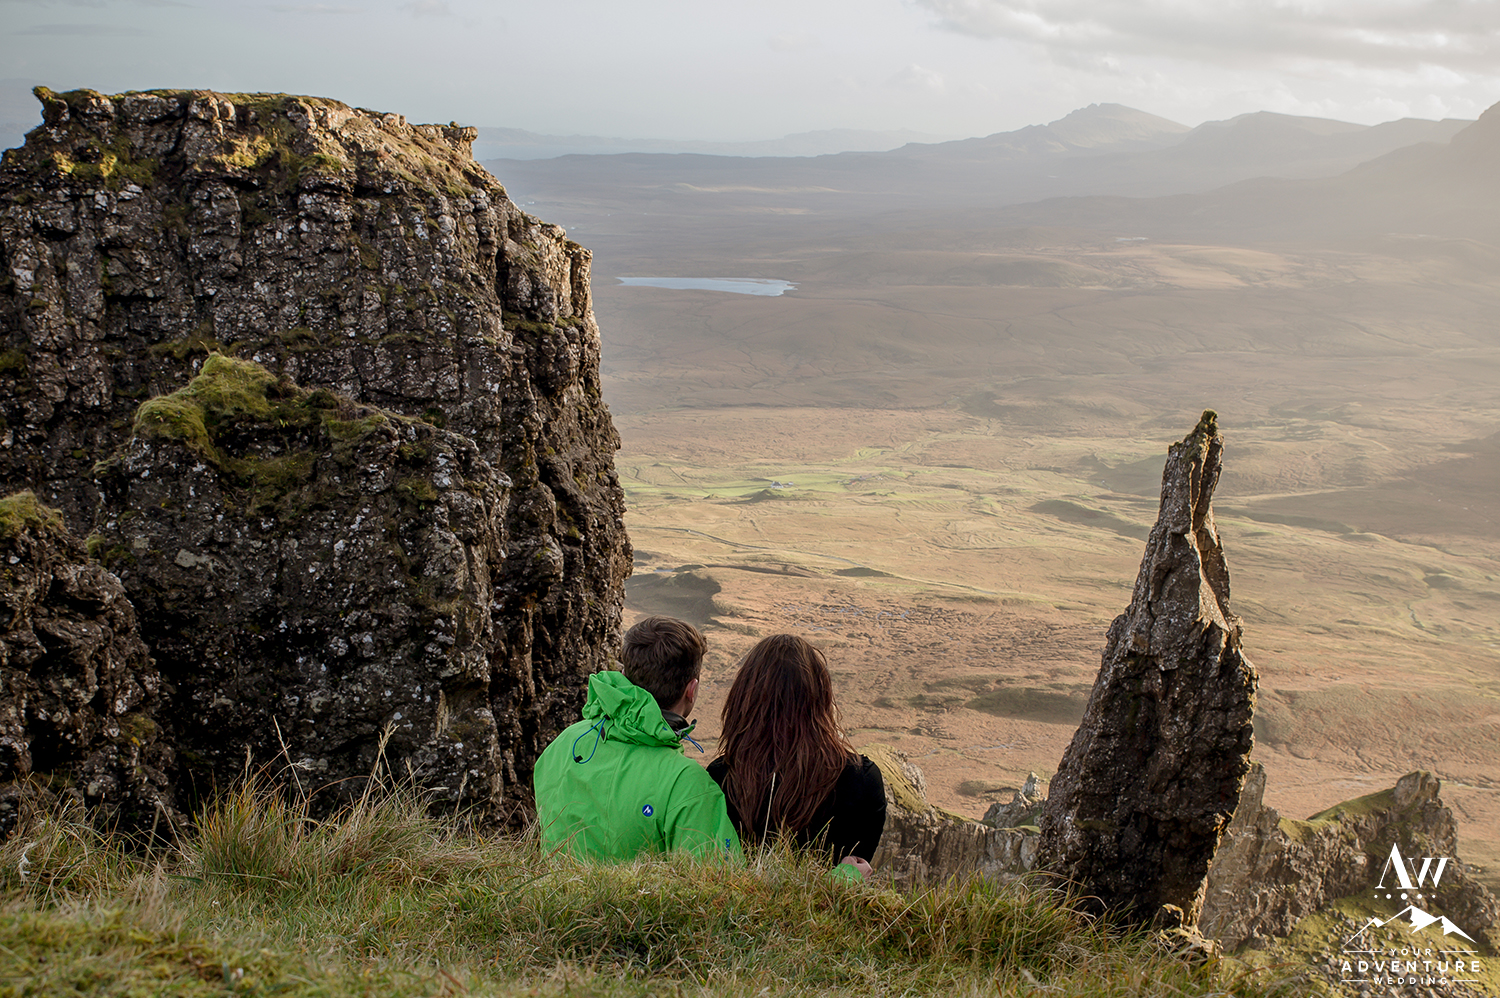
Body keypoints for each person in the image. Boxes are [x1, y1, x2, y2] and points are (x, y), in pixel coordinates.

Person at [533, 616, 740, 862]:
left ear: (623, 674)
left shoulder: (565, 742)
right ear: (692, 690)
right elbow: (719, 883)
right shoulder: (688, 784)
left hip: (553, 896)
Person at [708, 634, 885, 875]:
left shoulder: (719, 778)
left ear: (743, 699)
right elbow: (854, 879)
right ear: (821, 698)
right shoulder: (862, 781)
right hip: (825, 911)